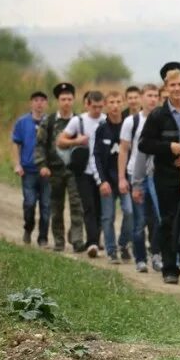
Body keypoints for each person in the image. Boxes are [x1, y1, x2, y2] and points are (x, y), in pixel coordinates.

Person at [139, 62, 180, 284]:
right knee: (168, 221)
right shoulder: (157, 115)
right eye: (172, 85)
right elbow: (144, 144)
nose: (177, 88)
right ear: (166, 88)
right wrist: (168, 148)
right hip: (164, 176)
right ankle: (170, 268)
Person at [35, 83, 85, 253]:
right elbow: (40, 145)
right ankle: (59, 240)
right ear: (58, 101)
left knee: (77, 205)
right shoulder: (48, 121)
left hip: (74, 171)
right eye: (63, 99)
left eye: (69, 99)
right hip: (54, 170)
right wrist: (42, 165)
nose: (66, 102)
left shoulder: (80, 121)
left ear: (73, 100)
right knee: (56, 206)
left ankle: (77, 239)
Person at [58, 90, 107, 258]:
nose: (97, 110)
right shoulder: (77, 121)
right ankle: (92, 242)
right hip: (83, 172)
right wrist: (76, 141)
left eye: (100, 107)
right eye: (94, 107)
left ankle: (96, 238)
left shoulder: (105, 121)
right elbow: (61, 141)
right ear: (87, 104)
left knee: (100, 209)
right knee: (89, 207)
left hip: (101, 173)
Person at [120, 83, 161, 273]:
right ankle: (140, 258)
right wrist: (123, 178)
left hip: (157, 174)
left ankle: (156, 254)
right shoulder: (131, 121)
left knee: (157, 219)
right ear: (142, 97)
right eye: (149, 95)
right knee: (139, 221)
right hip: (136, 174)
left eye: (155, 95)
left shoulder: (162, 119)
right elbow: (124, 150)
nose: (152, 99)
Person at [93, 91, 133, 264]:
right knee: (108, 216)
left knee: (130, 212)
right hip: (108, 180)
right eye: (111, 102)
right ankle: (111, 250)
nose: (115, 105)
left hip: (125, 180)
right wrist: (102, 181)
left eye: (118, 102)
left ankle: (123, 243)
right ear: (106, 105)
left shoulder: (128, 125)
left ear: (123, 103)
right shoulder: (102, 129)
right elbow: (97, 157)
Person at [11, 91, 51, 246]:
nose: (39, 103)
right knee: (29, 202)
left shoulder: (50, 121)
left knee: (46, 206)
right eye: (36, 100)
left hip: (46, 171)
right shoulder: (22, 122)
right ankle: (28, 228)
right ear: (31, 103)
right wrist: (17, 163)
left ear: (46, 103)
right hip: (28, 170)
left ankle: (43, 238)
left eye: (42, 100)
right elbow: (16, 143)